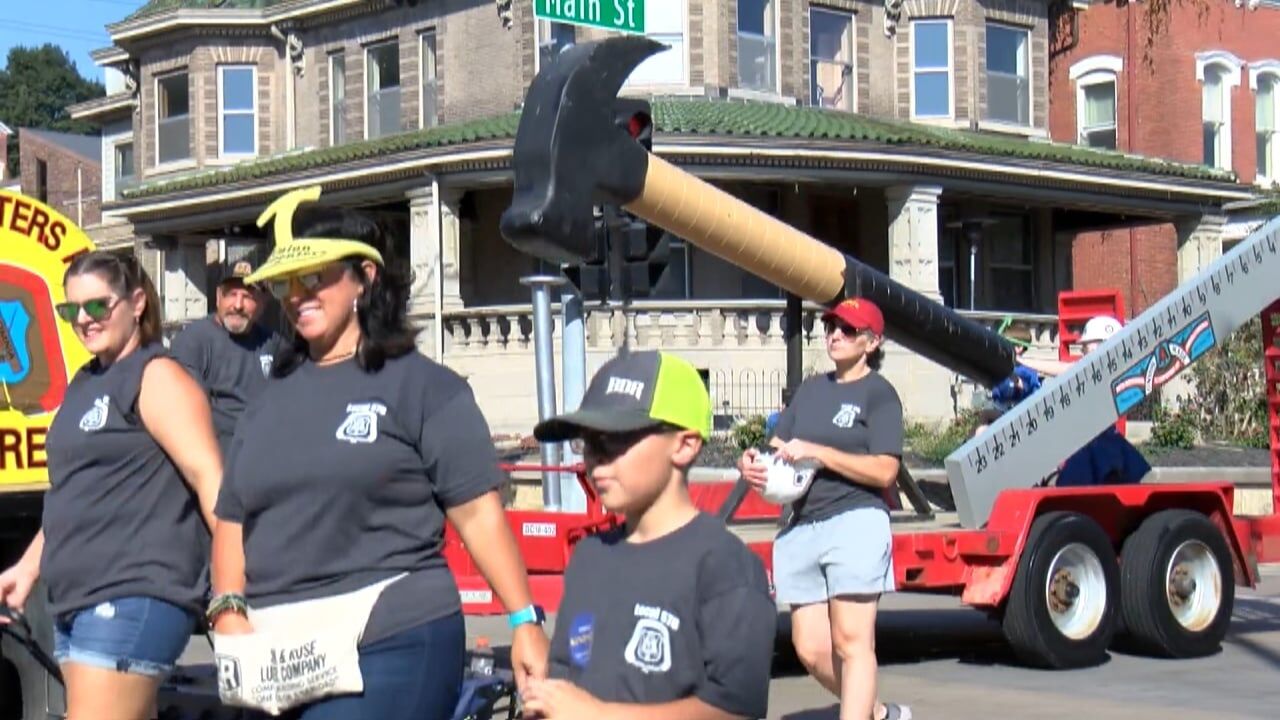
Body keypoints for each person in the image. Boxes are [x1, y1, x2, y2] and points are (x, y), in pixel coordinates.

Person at [207, 186, 548, 719]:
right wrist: (227, 608)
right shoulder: (266, 401)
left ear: (365, 278)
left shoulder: (424, 387)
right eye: (285, 282)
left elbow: (479, 515)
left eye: (315, 276)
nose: (298, 294)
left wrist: (522, 620)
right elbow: (233, 518)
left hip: (390, 634)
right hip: (275, 649)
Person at [0, 251, 223, 720]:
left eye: (98, 306)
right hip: (76, 598)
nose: (84, 319)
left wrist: (233, 590)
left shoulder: (156, 375)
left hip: (135, 591)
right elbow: (77, 494)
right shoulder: (86, 382)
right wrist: (27, 569)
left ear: (137, 302)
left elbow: (212, 480)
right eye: (72, 309)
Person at [522, 350, 776, 720]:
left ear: (685, 445)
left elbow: (735, 708)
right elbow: (566, 675)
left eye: (613, 440)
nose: (595, 459)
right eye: (587, 443)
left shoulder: (724, 567)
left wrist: (599, 715)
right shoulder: (589, 556)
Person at [738, 297, 910, 720]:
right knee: (811, 650)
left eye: (848, 329)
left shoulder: (879, 395)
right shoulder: (813, 390)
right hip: (801, 526)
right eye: (831, 326)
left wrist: (820, 452)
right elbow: (780, 447)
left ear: (872, 342)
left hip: (854, 520)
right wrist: (754, 461)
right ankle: (881, 714)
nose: (834, 334)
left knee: (852, 643)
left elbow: (886, 471)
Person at [169, 259, 285, 452]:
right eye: (231, 294)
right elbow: (183, 414)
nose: (238, 305)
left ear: (262, 302)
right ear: (218, 297)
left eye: (248, 296)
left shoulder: (273, 343)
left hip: (267, 453)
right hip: (218, 456)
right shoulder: (194, 341)